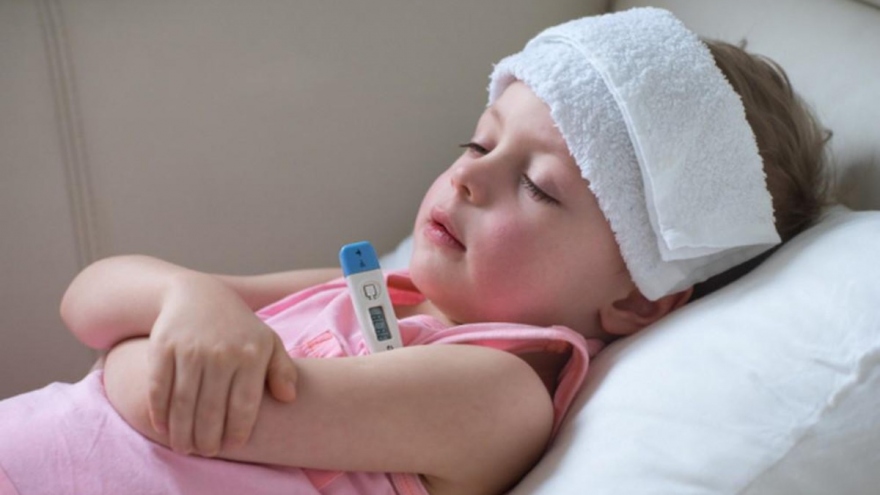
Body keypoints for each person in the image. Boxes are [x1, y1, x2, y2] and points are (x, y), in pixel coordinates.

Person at [0, 8, 829, 495]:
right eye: (479, 143)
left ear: (638, 299)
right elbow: (89, 298)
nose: (468, 178)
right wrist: (187, 297)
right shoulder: (379, 288)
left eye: (537, 186)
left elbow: (155, 396)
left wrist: (164, 326)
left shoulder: (498, 392)